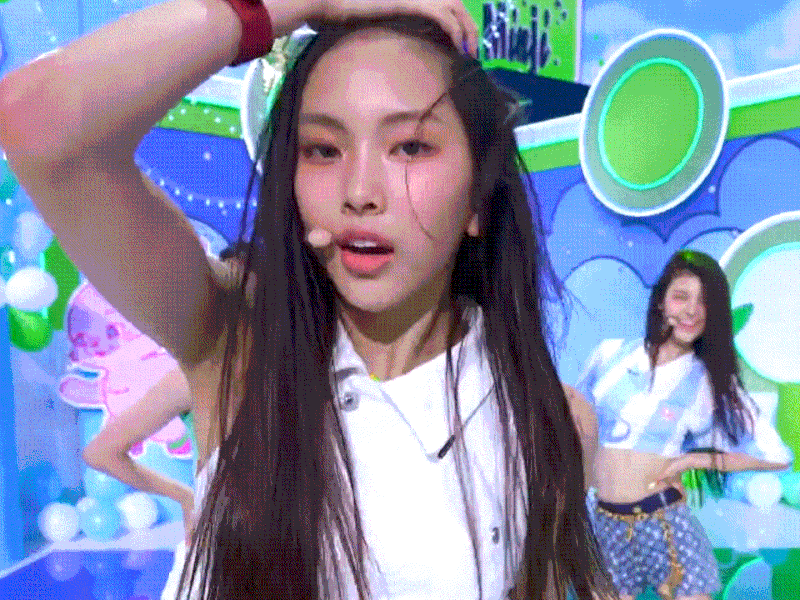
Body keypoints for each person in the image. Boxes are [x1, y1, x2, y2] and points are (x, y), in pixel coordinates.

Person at [0, 1, 610, 598]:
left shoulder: (547, 419)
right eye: (323, 149)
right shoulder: (241, 343)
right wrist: (288, 7)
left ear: (478, 196)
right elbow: (39, 124)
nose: (359, 191)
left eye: (410, 146)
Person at [574, 250, 793, 600]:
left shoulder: (708, 380)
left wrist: (696, 459)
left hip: (665, 525)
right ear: (661, 301)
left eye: (705, 302)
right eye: (681, 296)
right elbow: (577, 426)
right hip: (604, 525)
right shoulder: (608, 354)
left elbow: (777, 455)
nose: (692, 310)